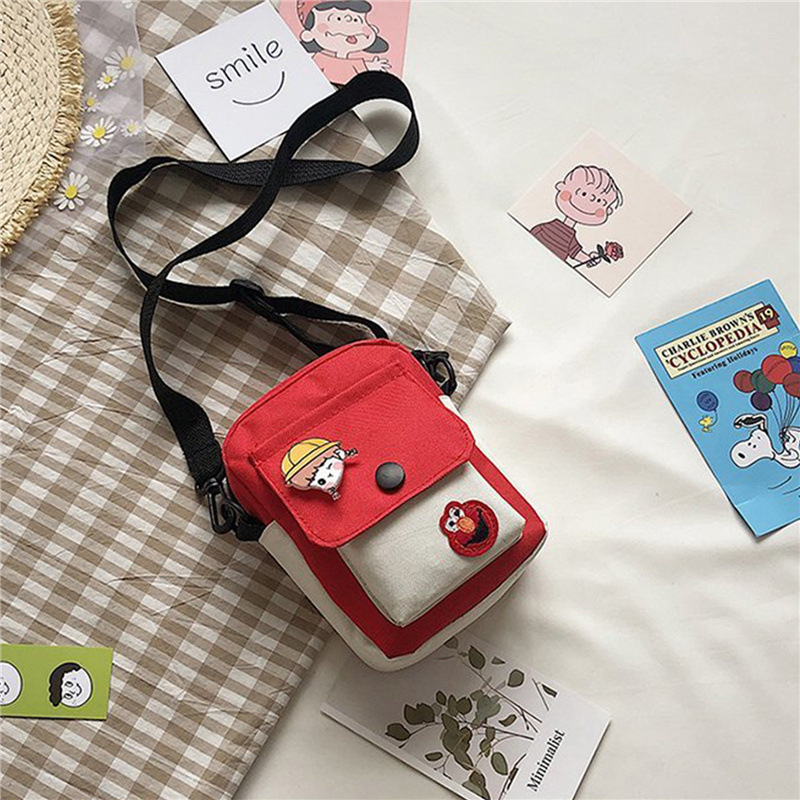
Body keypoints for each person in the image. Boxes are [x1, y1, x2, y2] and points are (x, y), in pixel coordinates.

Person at [531, 165, 623, 267]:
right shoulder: (546, 227)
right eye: (583, 193)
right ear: (561, 187)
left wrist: (590, 259)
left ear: (607, 211)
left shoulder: (570, 239)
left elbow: (576, 253)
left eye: (599, 201)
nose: (589, 201)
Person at [297, 0, 390, 85]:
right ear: (308, 35)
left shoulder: (356, 63)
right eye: (337, 19)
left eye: (357, 20)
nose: (349, 22)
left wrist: (374, 65)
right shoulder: (319, 59)